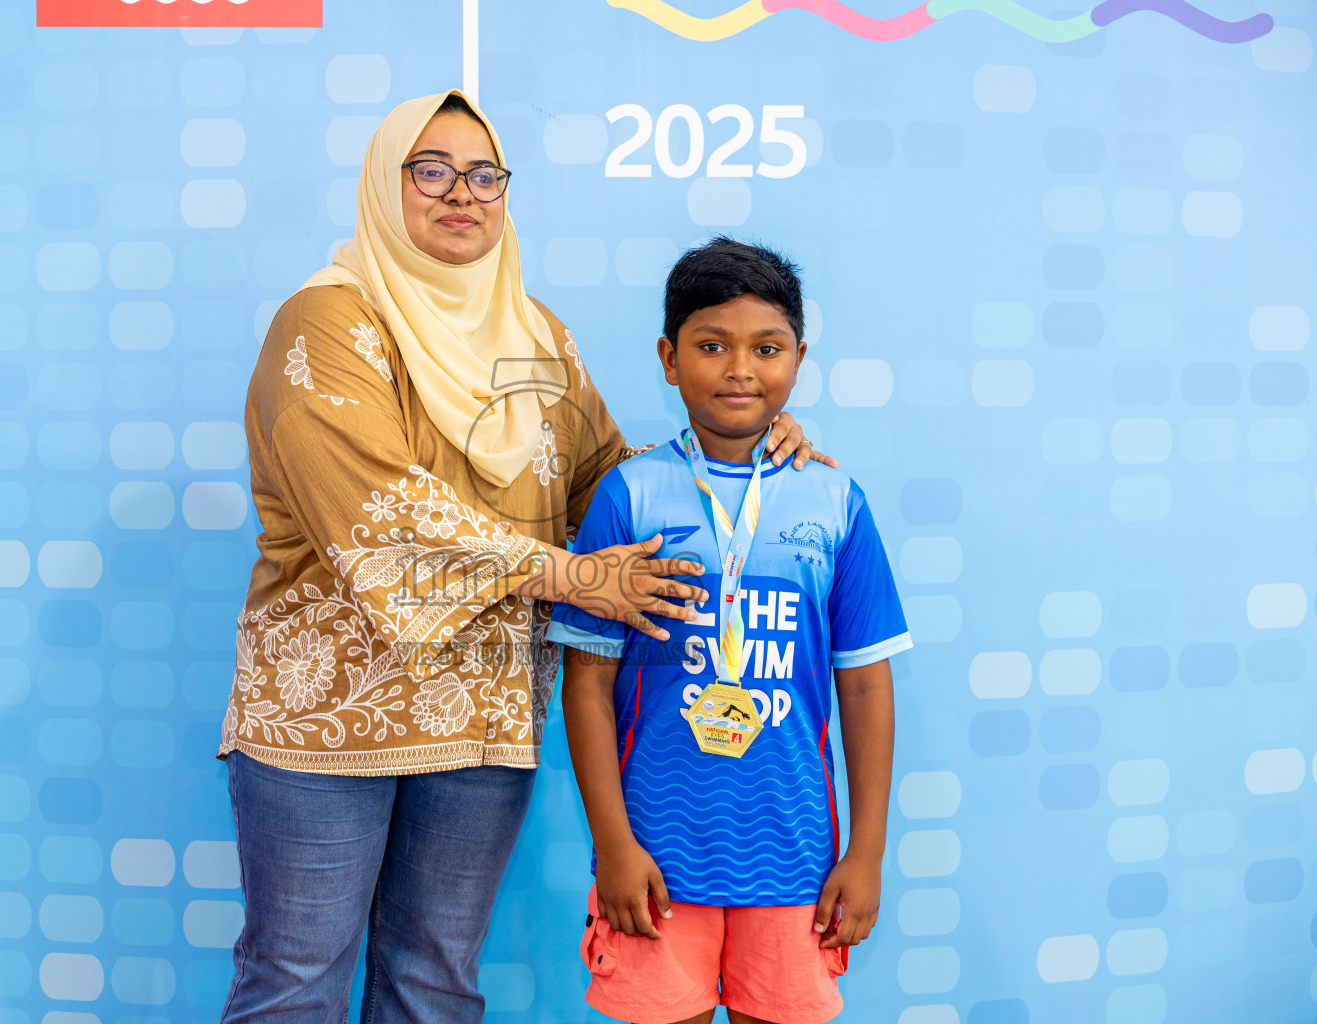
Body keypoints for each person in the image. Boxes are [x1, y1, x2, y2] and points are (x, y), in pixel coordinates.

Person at [216, 94, 828, 1022]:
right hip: (327, 724)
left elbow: (612, 486)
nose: (460, 192)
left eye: (484, 174)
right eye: (431, 169)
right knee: (296, 979)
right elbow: (383, 511)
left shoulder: (537, 336)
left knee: (434, 979)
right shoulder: (326, 324)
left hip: (485, 716)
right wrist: (576, 577)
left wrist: (748, 441)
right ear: (386, 186)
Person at [551, 238, 910, 1024]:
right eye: (711, 346)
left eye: (766, 348)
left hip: (795, 863)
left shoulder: (834, 499)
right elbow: (587, 680)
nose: (739, 368)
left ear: (799, 358)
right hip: (655, 862)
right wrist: (613, 843)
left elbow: (864, 682)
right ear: (669, 358)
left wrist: (867, 852)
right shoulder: (630, 496)